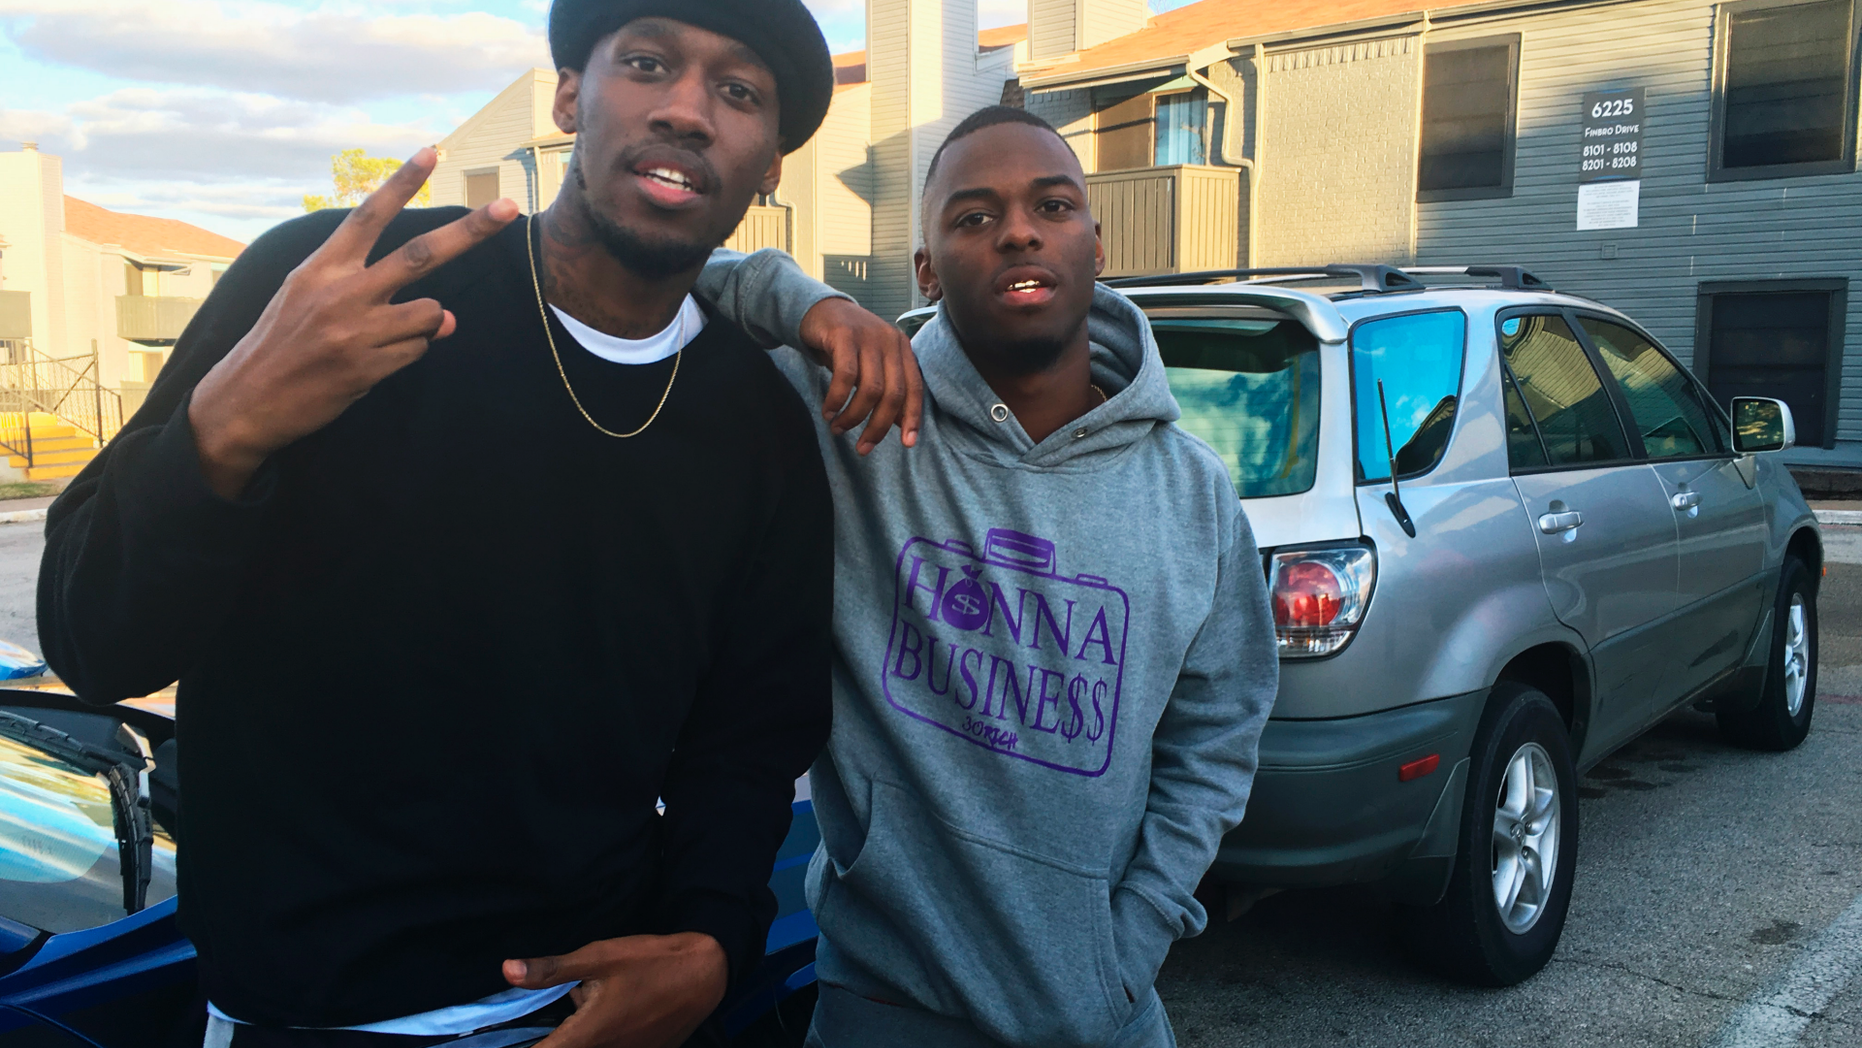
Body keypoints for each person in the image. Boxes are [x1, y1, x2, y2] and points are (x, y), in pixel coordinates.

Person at [36, 2, 920, 1045]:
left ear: (769, 163)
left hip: (578, 1010)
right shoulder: (337, 291)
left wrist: (711, 943)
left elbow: (749, 735)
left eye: (737, 93)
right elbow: (94, 643)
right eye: (645, 64)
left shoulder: (759, 424)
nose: (686, 109)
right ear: (564, 97)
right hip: (296, 1014)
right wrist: (220, 431)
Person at [770, 106, 1280, 1048]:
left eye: (1052, 205)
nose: (1016, 230)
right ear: (924, 268)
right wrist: (809, 300)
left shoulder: (1193, 494)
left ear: (1096, 243)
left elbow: (1218, 735)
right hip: (886, 1011)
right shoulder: (854, 420)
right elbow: (675, 288)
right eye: (971, 217)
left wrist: (1130, 946)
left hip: (1110, 1012)